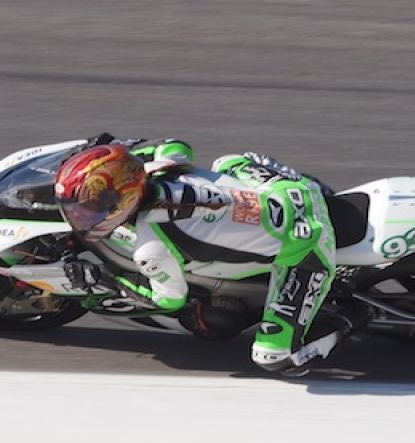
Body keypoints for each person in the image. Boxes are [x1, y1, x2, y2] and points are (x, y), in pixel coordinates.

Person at [54, 133, 367, 375]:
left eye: (93, 208)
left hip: (304, 242)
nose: (83, 216)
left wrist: (107, 281)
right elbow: (176, 145)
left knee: (274, 357)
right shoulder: (163, 165)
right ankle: (324, 195)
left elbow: (169, 300)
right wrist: (116, 152)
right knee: (229, 161)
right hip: (289, 190)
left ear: (124, 199)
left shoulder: (152, 249)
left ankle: (353, 317)